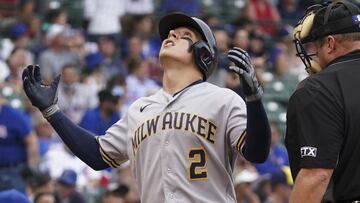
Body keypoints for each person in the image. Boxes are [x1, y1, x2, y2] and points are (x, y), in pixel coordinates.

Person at [22, 12, 271, 202]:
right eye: (169, 34)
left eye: (184, 36)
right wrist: (52, 112)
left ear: (203, 54)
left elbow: (256, 152)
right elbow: (98, 156)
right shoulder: (140, 108)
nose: (171, 36)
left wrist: (253, 98)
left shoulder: (223, 99)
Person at [287, 1, 360, 202]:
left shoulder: (319, 89)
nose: (315, 54)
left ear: (329, 43)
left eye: (316, 45)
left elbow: (316, 177)